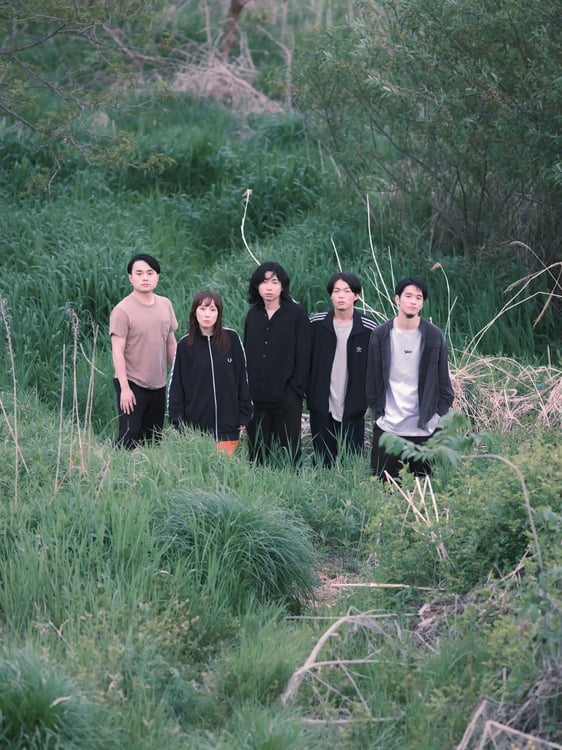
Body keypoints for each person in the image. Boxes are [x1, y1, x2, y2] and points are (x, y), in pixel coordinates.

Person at [366, 276, 454, 480]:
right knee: (384, 488)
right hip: (388, 428)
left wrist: (435, 416)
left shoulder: (433, 336)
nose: (413, 301)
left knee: (425, 489)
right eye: (408, 296)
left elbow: (444, 385)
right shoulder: (380, 335)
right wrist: (378, 415)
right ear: (397, 299)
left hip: (424, 429)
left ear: (422, 303)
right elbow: (371, 381)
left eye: (418, 297)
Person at [243, 261, 311, 465]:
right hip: (257, 396)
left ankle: (291, 481)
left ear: (282, 286)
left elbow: (304, 356)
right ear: (257, 286)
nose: (269, 287)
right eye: (264, 282)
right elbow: (248, 353)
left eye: (274, 282)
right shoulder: (253, 315)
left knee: (289, 453)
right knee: (257, 453)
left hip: (287, 396)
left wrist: (296, 390)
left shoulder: (296, 314)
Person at [167, 290, 252, 453]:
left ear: (219, 313)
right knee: (199, 468)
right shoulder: (185, 345)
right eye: (202, 308)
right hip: (195, 432)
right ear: (195, 312)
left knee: (227, 468)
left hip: (229, 428)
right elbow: (176, 386)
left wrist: (244, 414)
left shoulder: (232, 339)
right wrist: (178, 423)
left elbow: (243, 379)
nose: (207, 314)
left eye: (213, 309)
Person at [307, 272, 378, 466]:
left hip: (354, 407)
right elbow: (304, 360)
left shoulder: (369, 328)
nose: (341, 296)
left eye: (347, 291)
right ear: (330, 295)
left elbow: (377, 368)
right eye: (336, 291)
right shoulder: (316, 324)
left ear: (356, 296)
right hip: (322, 405)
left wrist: (368, 399)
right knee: (323, 463)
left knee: (351, 464)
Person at [109, 253, 178, 449]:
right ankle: (117, 466)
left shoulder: (165, 304)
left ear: (157, 276)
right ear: (130, 277)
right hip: (132, 383)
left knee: (154, 439)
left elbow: (170, 343)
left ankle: (148, 468)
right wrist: (124, 389)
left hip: (158, 383)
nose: (145, 278)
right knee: (129, 436)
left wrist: (178, 376)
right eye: (139, 273)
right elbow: (117, 351)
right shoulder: (122, 310)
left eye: (150, 273)